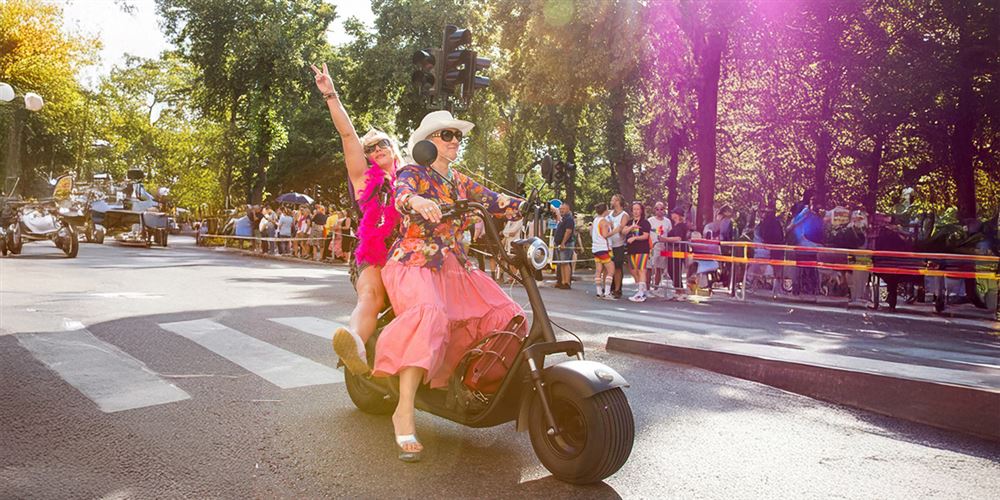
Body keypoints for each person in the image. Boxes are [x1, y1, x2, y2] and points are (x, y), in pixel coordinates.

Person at [376, 110, 525, 462]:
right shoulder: (414, 172)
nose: (455, 140)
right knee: (429, 314)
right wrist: (418, 201)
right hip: (414, 261)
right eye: (447, 135)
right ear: (429, 142)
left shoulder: (460, 181)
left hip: (455, 266)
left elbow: (494, 201)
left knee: (508, 314)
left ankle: (470, 385)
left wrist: (532, 207)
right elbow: (402, 193)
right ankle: (404, 411)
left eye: (457, 135)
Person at [311, 62, 404, 380]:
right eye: (370, 149)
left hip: (414, 255)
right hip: (376, 254)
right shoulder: (366, 179)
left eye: (382, 144)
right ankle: (355, 344)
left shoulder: (413, 178)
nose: (376, 149)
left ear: (393, 148)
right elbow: (348, 135)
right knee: (371, 295)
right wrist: (331, 94)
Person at [623, 201, 652, 302]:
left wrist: (635, 238)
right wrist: (632, 227)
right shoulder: (630, 222)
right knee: (633, 270)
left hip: (642, 249)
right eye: (634, 209)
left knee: (641, 269)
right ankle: (641, 289)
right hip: (631, 249)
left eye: (638, 209)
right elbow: (624, 231)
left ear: (641, 211)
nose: (636, 211)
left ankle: (641, 293)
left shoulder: (645, 222)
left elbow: (646, 235)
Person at [607, 194, 630, 299]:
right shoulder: (609, 214)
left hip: (618, 244)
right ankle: (609, 288)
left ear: (618, 202)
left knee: (617, 267)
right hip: (609, 245)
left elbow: (620, 227)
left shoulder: (624, 215)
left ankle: (617, 288)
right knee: (608, 267)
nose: (612, 202)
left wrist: (610, 233)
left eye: (614, 200)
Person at [663, 207, 690, 299]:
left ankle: (681, 291)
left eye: (674, 213)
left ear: (678, 215)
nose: (672, 215)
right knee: (673, 270)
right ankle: (678, 290)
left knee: (675, 271)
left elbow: (678, 238)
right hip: (674, 251)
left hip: (677, 251)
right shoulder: (677, 225)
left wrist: (665, 239)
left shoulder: (680, 226)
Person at [647, 201, 672, 296]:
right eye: (657, 209)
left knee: (659, 268)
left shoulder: (667, 221)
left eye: (661, 209)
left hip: (662, 247)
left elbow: (669, 233)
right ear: (654, 210)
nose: (659, 211)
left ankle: (656, 288)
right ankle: (647, 288)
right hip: (652, 247)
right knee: (649, 268)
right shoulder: (650, 220)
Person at [591, 202, 615, 299]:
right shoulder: (604, 221)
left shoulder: (595, 220)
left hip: (596, 248)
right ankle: (607, 292)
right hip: (603, 248)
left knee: (598, 270)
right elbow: (605, 235)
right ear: (605, 210)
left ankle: (599, 291)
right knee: (611, 270)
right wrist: (615, 230)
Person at [552, 203, 576, 289]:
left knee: (565, 263)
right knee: (561, 263)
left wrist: (563, 243)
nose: (561, 210)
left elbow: (568, 231)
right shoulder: (562, 218)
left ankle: (567, 282)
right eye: (561, 209)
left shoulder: (569, 219)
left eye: (563, 209)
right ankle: (562, 281)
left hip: (566, 243)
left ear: (568, 209)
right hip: (559, 243)